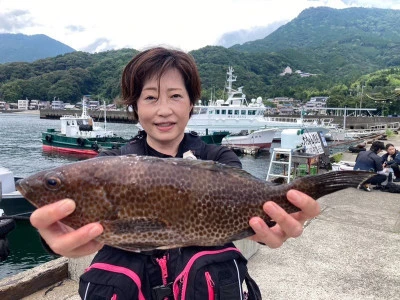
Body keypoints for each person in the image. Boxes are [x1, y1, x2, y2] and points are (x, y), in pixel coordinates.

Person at [29, 47, 320, 299]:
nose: (164, 109)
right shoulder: (110, 162)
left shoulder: (218, 158)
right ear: (135, 107)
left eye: (176, 96)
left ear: (191, 104)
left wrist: (267, 226)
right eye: (151, 98)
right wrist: (53, 239)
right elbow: (68, 227)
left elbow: (244, 208)